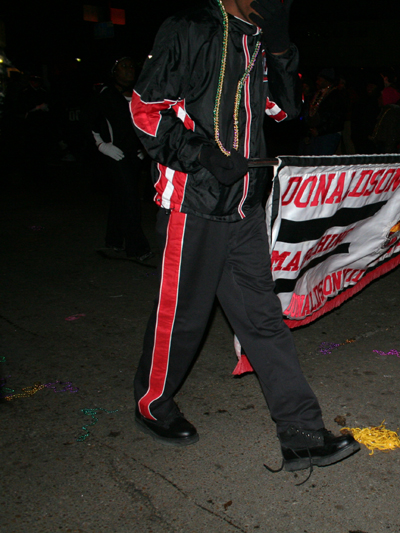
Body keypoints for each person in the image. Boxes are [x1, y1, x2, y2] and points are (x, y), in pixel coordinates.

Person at [129, 0, 359, 471]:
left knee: (263, 319)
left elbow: (283, 112)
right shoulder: (189, 28)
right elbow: (145, 111)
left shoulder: (257, 39)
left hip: (244, 205)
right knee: (183, 319)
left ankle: (301, 433)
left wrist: (279, 45)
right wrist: (204, 155)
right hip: (192, 202)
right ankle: (152, 404)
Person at [91, 57, 152, 261]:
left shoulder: (138, 95)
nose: (129, 70)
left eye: (132, 66)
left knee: (121, 196)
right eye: (123, 67)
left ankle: (114, 239)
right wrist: (102, 145)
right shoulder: (105, 94)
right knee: (130, 199)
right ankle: (137, 247)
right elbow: (90, 123)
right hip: (114, 155)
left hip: (133, 155)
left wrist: (143, 147)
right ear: (114, 72)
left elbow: (144, 125)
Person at [300, 68, 347, 155]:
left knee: (322, 161)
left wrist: (320, 130)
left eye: (321, 80)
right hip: (315, 134)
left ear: (327, 81)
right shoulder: (316, 94)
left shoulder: (336, 96)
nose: (318, 82)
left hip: (328, 135)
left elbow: (336, 118)